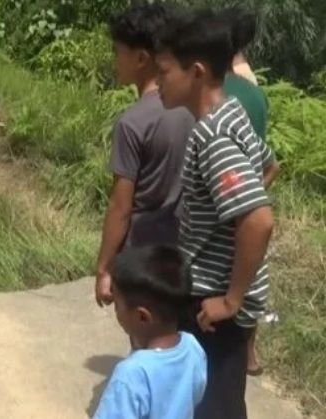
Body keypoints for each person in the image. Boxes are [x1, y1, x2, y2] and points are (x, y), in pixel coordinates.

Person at [155, 9, 276, 419]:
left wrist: (231, 298)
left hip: (214, 307)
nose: (157, 84)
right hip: (216, 294)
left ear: (197, 72)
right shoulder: (232, 113)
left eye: (165, 71)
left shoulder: (213, 136)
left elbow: (258, 220)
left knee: (215, 407)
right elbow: (268, 166)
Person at [95, 3, 195, 310]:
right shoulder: (193, 109)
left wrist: (104, 268)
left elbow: (121, 208)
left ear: (140, 58)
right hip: (186, 254)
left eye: (118, 51)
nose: (115, 61)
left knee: (145, 338)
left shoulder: (133, 123)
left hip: (143, 258)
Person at [221, 6, 281, 377]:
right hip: (250, 189)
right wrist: (255, 191)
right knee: (251, 269)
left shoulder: (219, 89)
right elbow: (267, 159)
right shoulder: (254, 91)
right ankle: (249, 351)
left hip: (225, 192)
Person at [93, 245, 207, 419]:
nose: (115, 311)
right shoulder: (193, 348)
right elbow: (196, 394)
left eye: (117, 305)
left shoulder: (131, 374)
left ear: (142, 316)